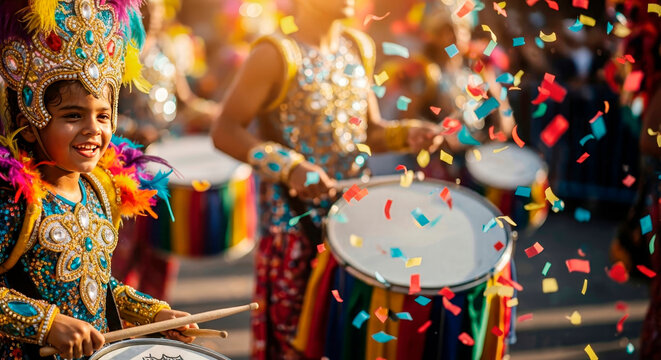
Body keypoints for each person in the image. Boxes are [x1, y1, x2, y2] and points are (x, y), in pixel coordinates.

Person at [211, 1, 442, 358]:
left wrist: (406, 134)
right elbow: (224, 130)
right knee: (295, 349)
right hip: (295, 230)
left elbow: (368, 133)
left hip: (355, 228)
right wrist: (290, 166)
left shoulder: (358, 46)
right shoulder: (276, 54)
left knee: (353, 342)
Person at [0, 0, 198, 358]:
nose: (93, 129)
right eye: (73, 116)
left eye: (104, 116)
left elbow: (97, 286)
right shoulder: (16, 199)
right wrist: (47, 323)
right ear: (30, 125)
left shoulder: (97, 191)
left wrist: (153, 312)